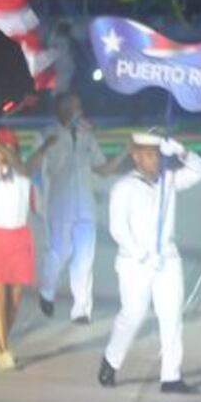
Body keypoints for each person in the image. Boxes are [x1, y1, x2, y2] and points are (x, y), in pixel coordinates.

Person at [99, 131, 201, 395]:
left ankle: (170, 377)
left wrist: (182, 151)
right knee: (132, 315)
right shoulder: (124, 187)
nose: (155, 161)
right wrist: (142, 253)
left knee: (171, 317)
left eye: (157, 155)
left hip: (168, 260)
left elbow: (200, 171)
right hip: (135, 262)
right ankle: (111, 360)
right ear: (136, 157)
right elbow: (118, 229)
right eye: (148, 155)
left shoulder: (169, 181)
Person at [36, 93, 126, 324]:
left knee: (85, 257)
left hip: (85, 206)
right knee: (59, 252)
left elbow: (102, 169)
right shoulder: (47, 135)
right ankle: (47, 291)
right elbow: (39, 167)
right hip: (60, 204)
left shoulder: (87, 136)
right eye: (74, 106)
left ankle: (81, 309)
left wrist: (123, 154)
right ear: (62, 109)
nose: (79, 110)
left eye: (79, 106)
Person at [0, 128, 40, 371]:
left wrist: (3, 149)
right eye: (0, 147)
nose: (5, 151)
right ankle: (3, 352)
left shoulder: (22, 173)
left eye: (9, 146)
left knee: (14, 301)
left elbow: (22, 167)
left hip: (19, 237)